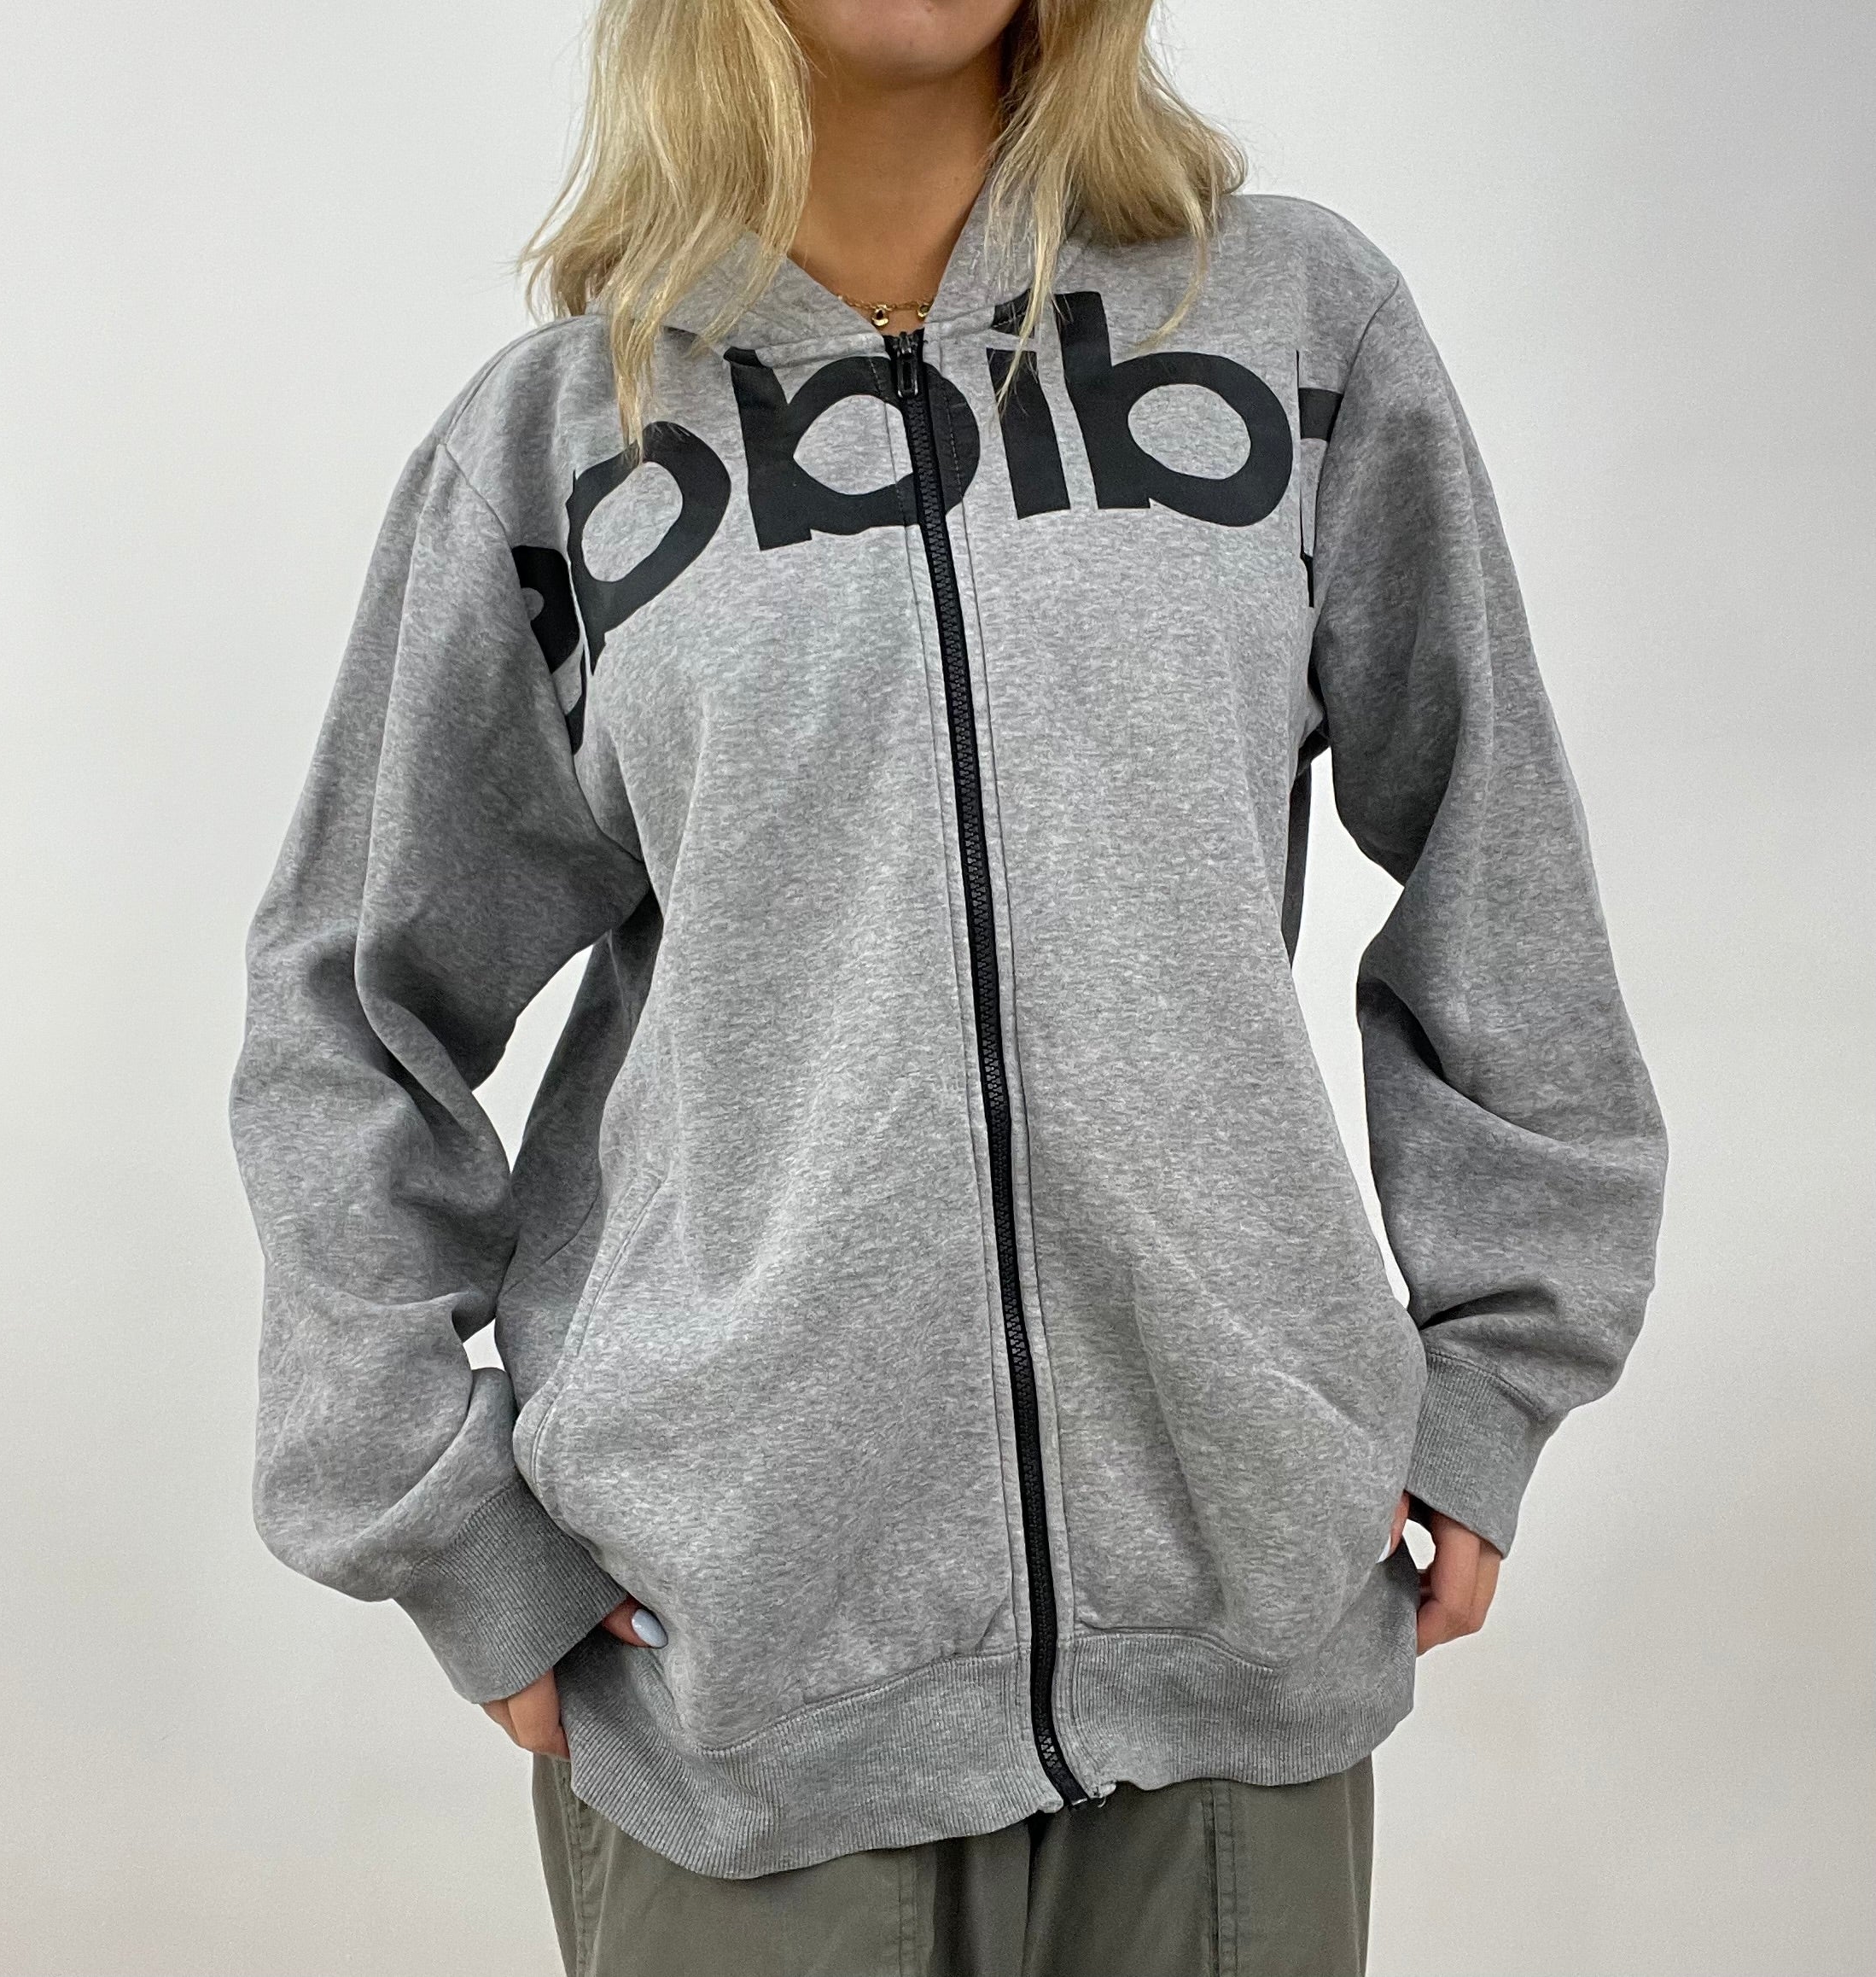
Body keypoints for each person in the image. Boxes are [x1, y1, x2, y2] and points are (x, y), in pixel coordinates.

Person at [227, 0, 1668, 1969]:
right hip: (743, 1689)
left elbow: (1503, 858)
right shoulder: (564, 441)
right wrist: (445, 1522)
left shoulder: (1290, 330)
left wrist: (1496, 1373)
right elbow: (347, 1006)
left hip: (1240, 1646)